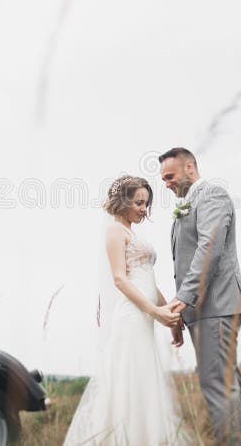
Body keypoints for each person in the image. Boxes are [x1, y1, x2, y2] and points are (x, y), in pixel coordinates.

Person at [63, 175, 188, 446]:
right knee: (129, 381)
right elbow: (120, 279)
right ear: (123, 201)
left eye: (146, 203)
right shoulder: (114, 232)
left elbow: (148, 282)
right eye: (138, 202)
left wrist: (170, 315)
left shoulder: (132, 233)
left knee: (145, 383)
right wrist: (156, 312)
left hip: (146, 317)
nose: (144, 209)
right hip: (132, 317)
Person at [159, 147, 241, 444]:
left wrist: (185, 297)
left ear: (190, 167)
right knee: (230, 384)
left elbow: (209, 248)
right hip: (204, 309)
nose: (166, 183)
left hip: (216, 305)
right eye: (162, 179)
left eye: (170, 176)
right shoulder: (188, 204)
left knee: (217, 385)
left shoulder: (212, 194)